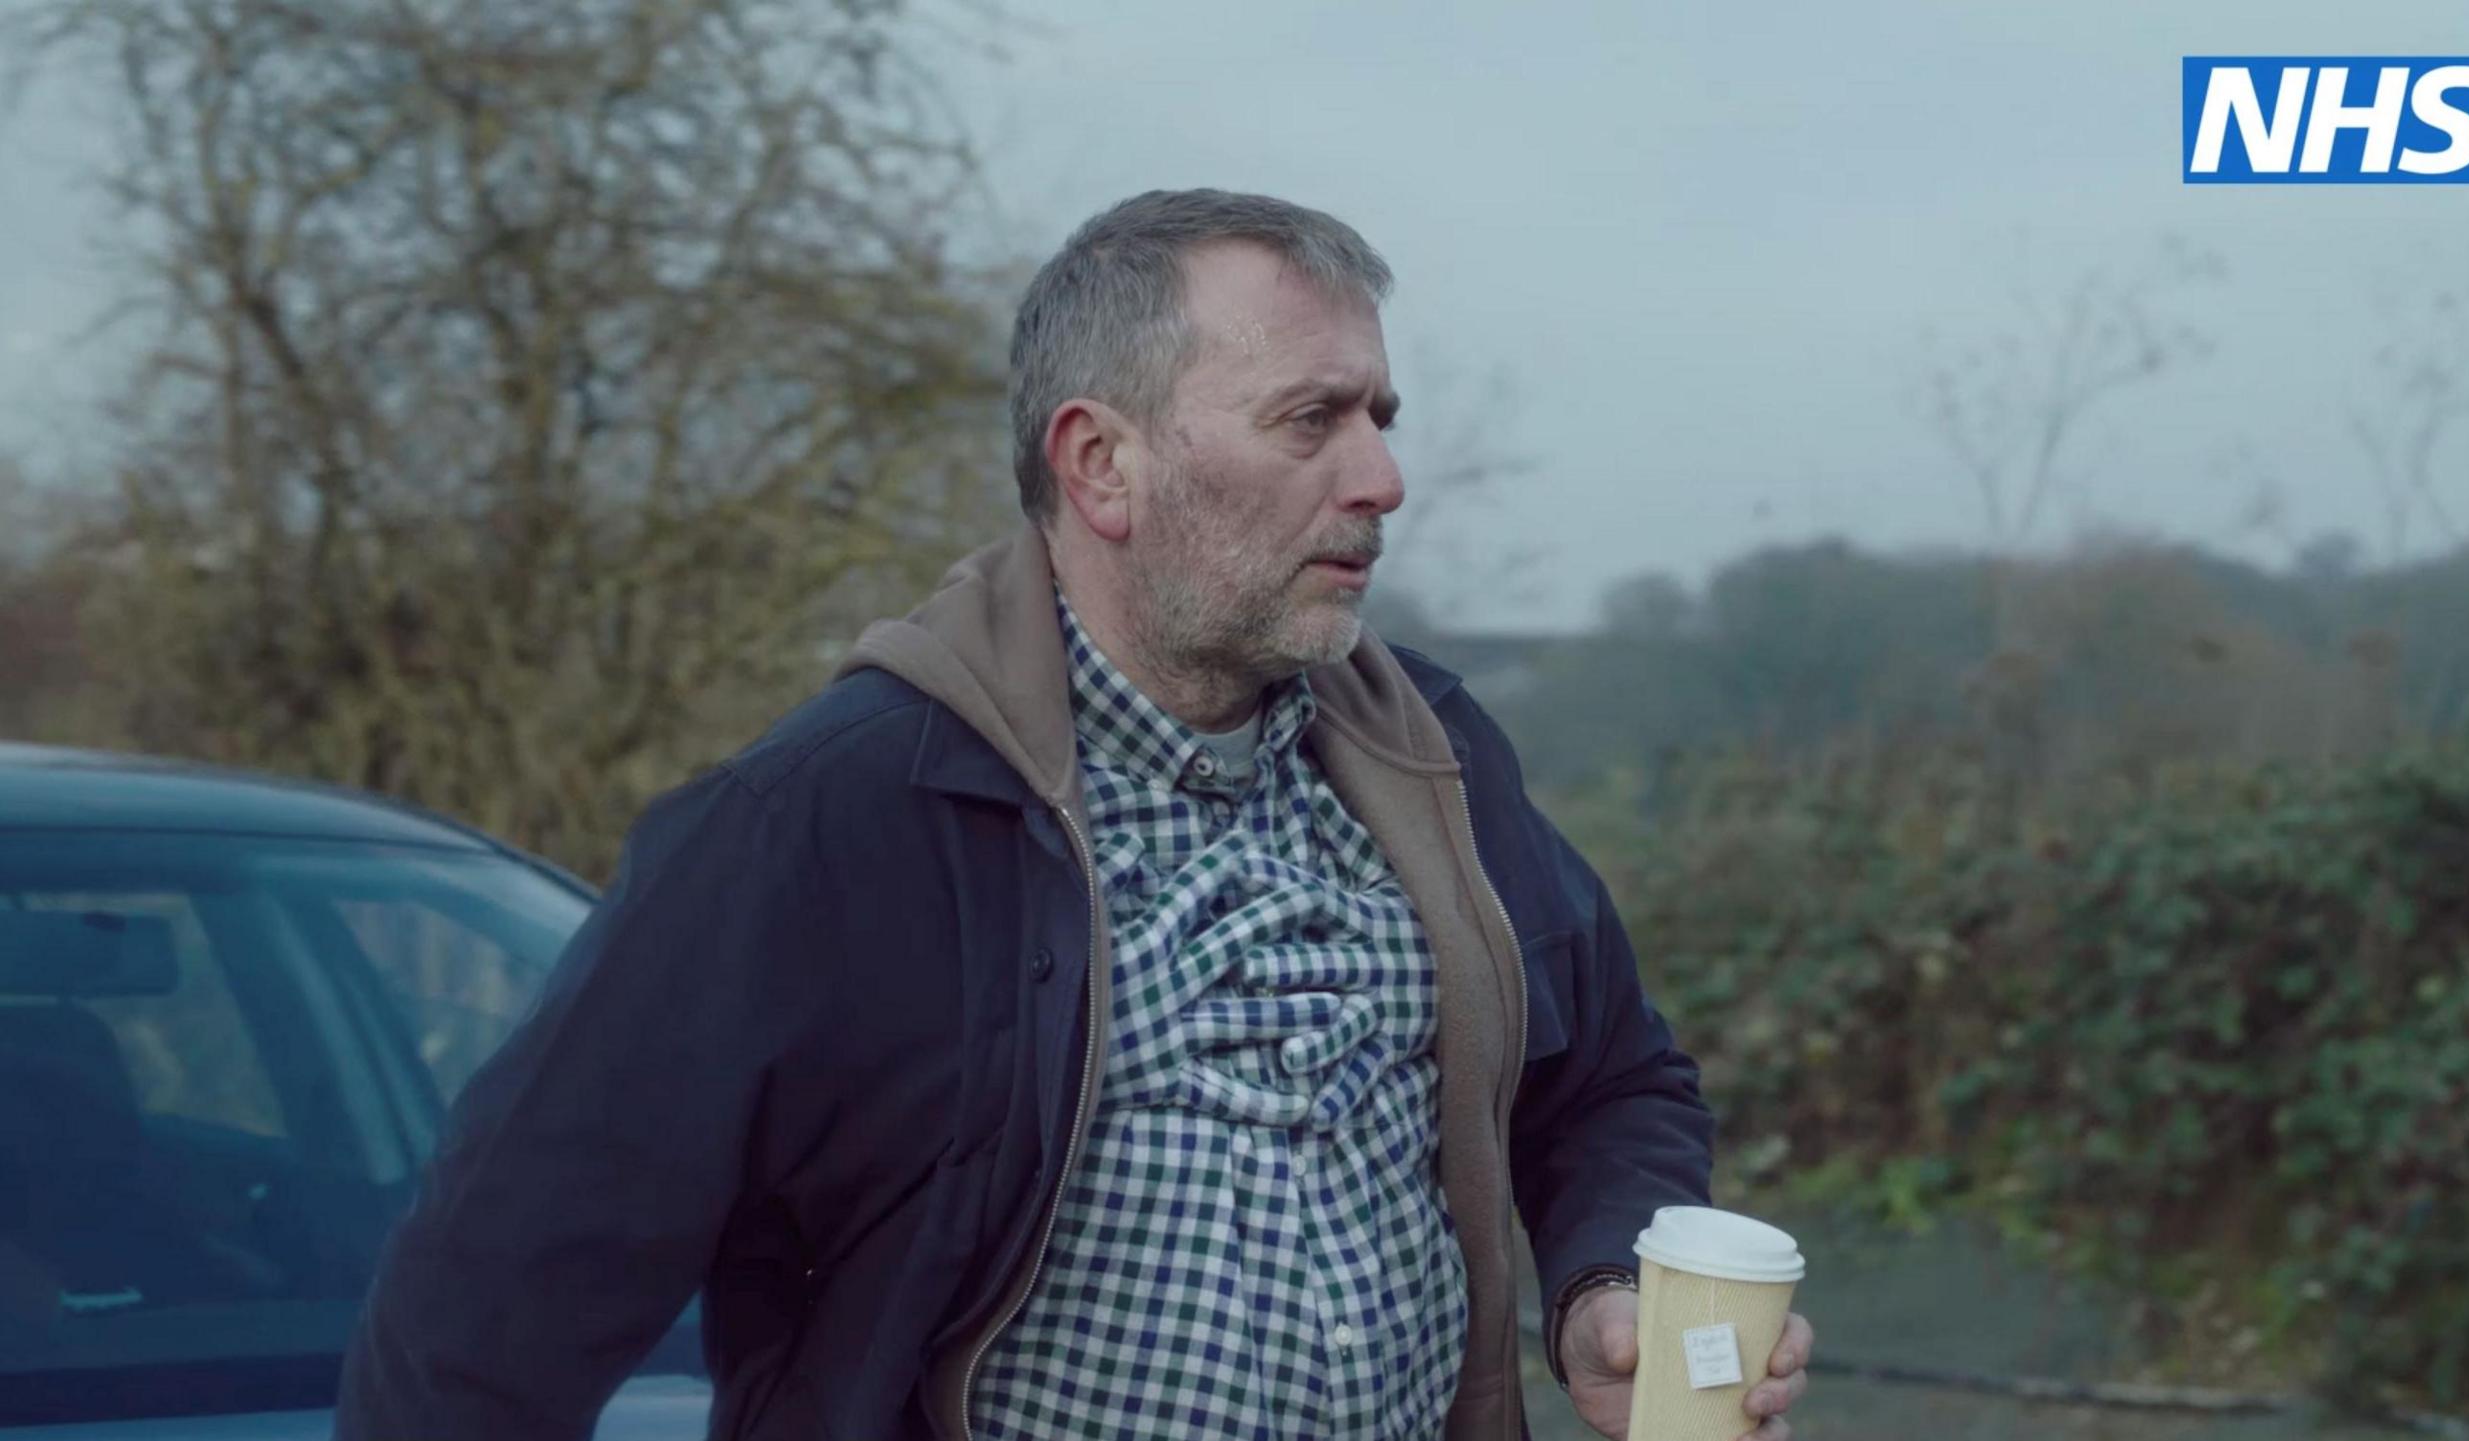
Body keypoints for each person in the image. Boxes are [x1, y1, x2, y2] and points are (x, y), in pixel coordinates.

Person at [337, 188, 1814, 1441]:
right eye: (1311, 420)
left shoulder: (1438, 752)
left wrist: (1605, 1283)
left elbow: (1611, 1078)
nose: (1382, 477)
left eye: (1378, 415)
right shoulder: (826, 821)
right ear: (1100, 463)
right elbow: (493, 1301)